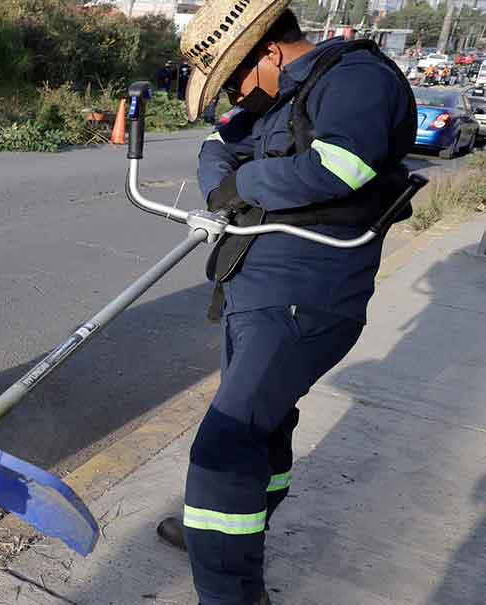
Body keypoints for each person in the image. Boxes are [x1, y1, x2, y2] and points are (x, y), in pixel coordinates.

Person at [164, 3, 415, 604]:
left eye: (235, 77)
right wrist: (224, 181)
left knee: (224, 445)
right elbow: (215, 146)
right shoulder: (281, 97)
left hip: (307, 299)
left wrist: (244, 184)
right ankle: (227, 535)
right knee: (264, 427)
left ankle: (231, 589)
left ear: (269, 52)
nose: (234, 91)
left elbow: (340, 167)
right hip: (256, 288)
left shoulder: (357, 81)